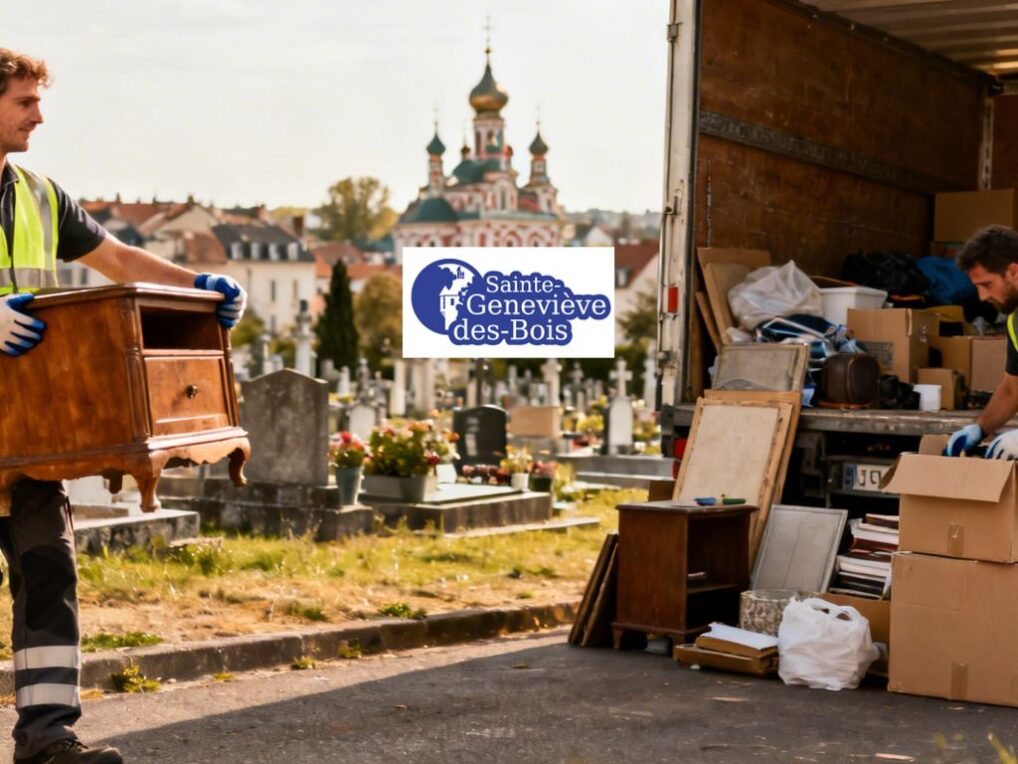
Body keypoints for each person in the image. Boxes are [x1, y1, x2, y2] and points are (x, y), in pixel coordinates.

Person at [0, 49, 247, 763]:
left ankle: (47, 740)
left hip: (28, 433)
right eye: (24, 102)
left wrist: (199, 287)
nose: (39, 116)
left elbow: (121, 261)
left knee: (49, 571)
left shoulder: (40, 195)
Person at [946, 225, 1018, 459]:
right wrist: (979, 429)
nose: (982, 297)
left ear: (1013, 272)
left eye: (987, 285)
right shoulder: (1014, 321)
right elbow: (1012, 389)